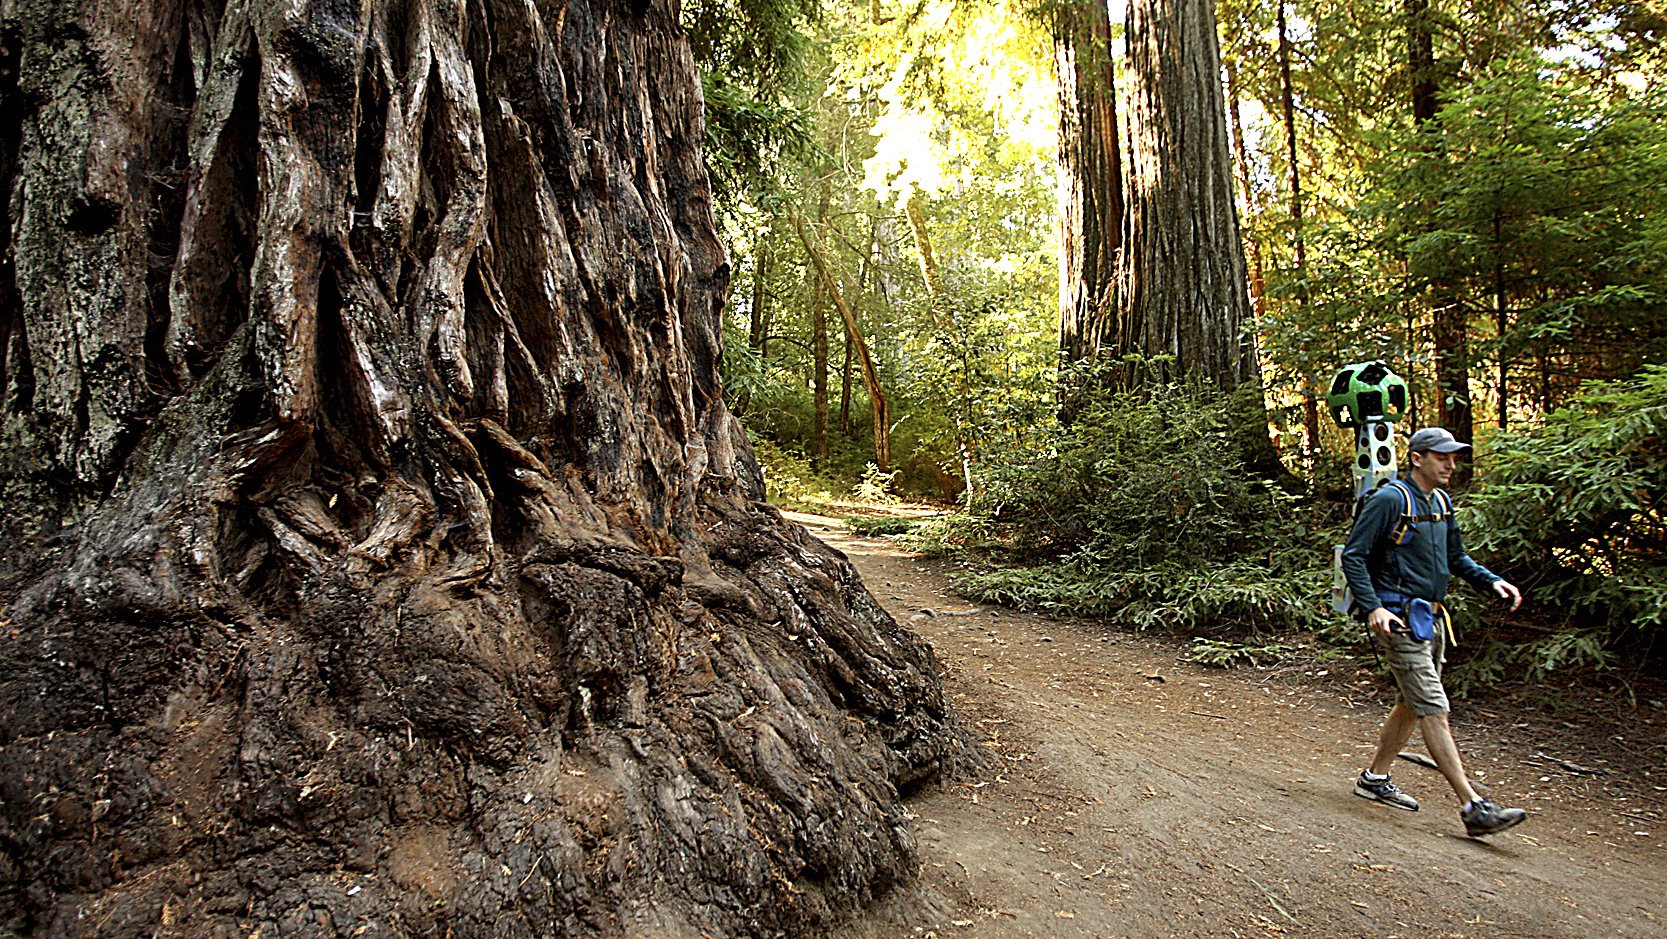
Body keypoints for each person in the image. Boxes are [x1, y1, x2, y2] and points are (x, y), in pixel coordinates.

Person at [1339, 426, 1528, 837]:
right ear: (1417, 458)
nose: (1450, 464)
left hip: (1432, 619)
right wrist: (1374, 608)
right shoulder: (1390, 500)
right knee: (1433, 707)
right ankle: (1473, 806)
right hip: (1399, 620)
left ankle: (1374, 779)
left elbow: (1455, 556)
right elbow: (1354, 556)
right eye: (1442, 456)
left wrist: (1489, 580)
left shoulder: (1441, 501)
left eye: (1454, 457)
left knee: (1411, 703)